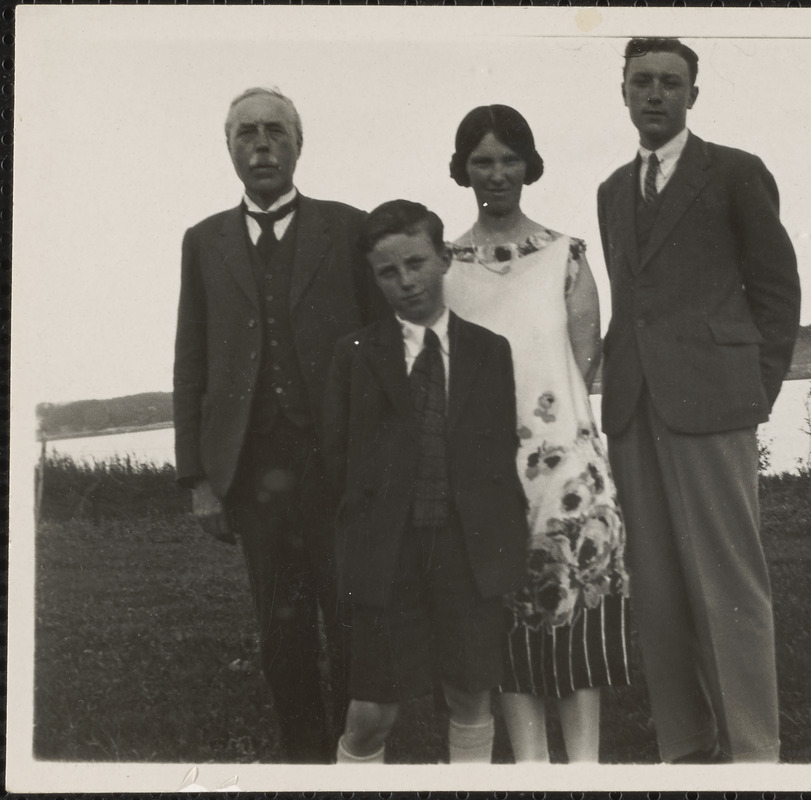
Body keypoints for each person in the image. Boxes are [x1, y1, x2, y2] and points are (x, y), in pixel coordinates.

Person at [596, 38, 801, 763]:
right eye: (641, 82)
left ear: (692, 95)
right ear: (622, 92)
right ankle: (684, 744)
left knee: (728, 580)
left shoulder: (736, 174)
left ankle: (753, 751)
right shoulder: (612, 190)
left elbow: (776, 292)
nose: (655, 94)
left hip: (714, 402)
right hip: (632, 407)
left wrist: (756, 387)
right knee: (653, 582)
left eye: (670, 83)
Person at [173, 87, 379, 762]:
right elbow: (191, 360)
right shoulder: (203, 242)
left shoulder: (349, 229)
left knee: (349, 614)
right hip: (253, 475)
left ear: (298, 142)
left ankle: (356, 754)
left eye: (274, 132)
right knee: (279, 626)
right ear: (227, 147)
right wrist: (199, 478)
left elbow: (384, 351)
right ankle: (301, 756)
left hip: (337, 467)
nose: (261, 145)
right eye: (246, 134)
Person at [443, 105, 630, 764]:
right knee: (504, 619)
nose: (496, 174)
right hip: (482, 471)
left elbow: (581, 360)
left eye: (508, 160)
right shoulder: (444, 266)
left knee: (575, 617)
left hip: (565, 470)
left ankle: (583, 768)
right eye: (482, 161)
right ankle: (529, 768)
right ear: (463, 169)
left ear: (528, 166)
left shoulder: (565, 257)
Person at [322, 199, 530, 765]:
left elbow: (497, 456)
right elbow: (339, 463)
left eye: (416, 263)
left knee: (469, 694)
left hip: (467, 553)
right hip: (388, 556)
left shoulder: (489, 352)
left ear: (444, 259)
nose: (406, 282)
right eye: (388, 272)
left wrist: (501, 547)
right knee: (372, 712)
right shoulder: (355, 356)